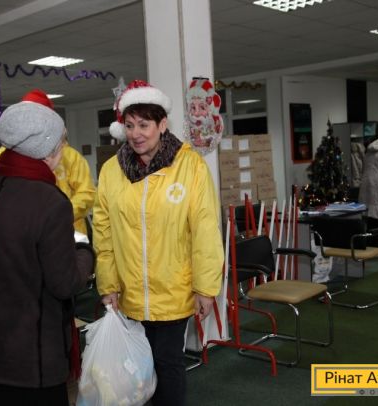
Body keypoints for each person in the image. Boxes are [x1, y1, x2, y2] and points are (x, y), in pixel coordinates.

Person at [0, 94, 95, 406]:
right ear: (48, 148)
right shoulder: (50, 201)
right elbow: (64, 283)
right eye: (62, 142)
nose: (64, 149)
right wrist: (84, 251)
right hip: (31, 357)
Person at [94, 79, 224, 406]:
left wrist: (205, 287)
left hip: (174, 290)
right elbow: (104, 233)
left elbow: (205, 230)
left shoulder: (190, 166)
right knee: (138, 368)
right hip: (130, 291)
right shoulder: (111, 171)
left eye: (144, 125)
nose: (136, 133)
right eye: (130, 125)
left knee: (167, 363)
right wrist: (108, 284)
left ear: (162, 124)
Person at [0, 89, 95, 236]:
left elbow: (87, 193)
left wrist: (61, 213)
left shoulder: (71, 156)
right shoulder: (3, 156)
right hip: (22, 230)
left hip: (69, 230)